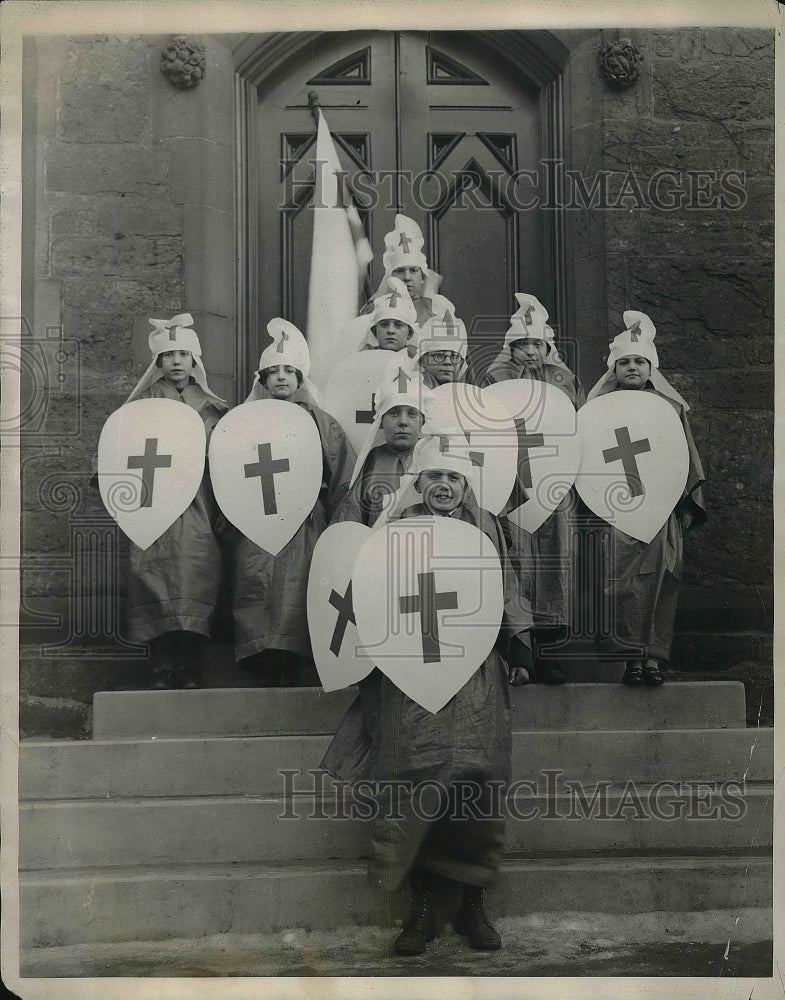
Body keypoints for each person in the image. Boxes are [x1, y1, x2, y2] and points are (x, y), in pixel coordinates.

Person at [321, 433, 533, 956]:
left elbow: (504, 585)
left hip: (474, 671)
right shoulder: (391, 530)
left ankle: (472, 903)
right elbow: (363, 593)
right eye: (434, 476)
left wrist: (520, 642)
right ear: (419, 481)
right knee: (414, 776)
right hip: (407, 671)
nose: (444, 485)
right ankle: (420, 908)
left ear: (466, 485)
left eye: (454, 477)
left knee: (476, 779)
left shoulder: (484, 530)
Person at [231, 319, 356, 686]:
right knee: (257, 583)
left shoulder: (322, 423)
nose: (281, 377)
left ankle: (296, 659)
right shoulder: (244, 422)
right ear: (263, 380)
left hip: (307, 521)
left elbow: (341, 476)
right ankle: (262, 656)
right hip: (257, 515)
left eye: (289, 370)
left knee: (299, 585)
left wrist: (336, 526)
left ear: (300, 379)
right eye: (273, 372)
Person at [586, 311, 707, 686]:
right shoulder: (596, 411)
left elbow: (685, 455)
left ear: (651, 367)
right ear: (614, 369)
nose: (632, 367)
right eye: (624, 362)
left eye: (639, 361)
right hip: (616, 511)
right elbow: (587, 455)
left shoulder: (669, 408)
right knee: (620, 583)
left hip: (660, 508)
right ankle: (629, 662)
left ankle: (653, 659)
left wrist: (688, 502)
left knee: (660, 581)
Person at [484, 294, 585, 684]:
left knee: (554, 563)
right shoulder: (495, 380)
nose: (529, 351)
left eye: (536, 344)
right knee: (516, 561)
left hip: (553, 484)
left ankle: (551, 652)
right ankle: (520, 652)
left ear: (548, 347)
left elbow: (577, 428)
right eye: (521, 344)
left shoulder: (564, 381)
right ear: (510, 348)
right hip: (510, 485)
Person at [123, 313, 229, 689]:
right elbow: (116, 448)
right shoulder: (140, 408)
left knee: (195, 578)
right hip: (154, 508)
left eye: (184, 354)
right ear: (158, 362)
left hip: (200, 508)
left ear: (195, 360)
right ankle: (162, 665)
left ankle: (188, 665)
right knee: (154, 577)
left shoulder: (216, 410)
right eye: (169, 355)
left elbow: (230, 460)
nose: (177, 361)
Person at [331, 370, 432, 528]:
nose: (403, 422)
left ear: (423, 421)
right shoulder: (374, 459)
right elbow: (352, 516)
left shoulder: (433, 456)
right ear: (381, 422)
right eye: (393, 413)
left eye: (412, 414)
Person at [364, 214, 456, 328]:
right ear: (390, 277)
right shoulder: (378, 308)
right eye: (400, 271)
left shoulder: (438, 308)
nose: (407, 277)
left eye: (413, 270)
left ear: (422, 277)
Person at [357, 276, 420, 359]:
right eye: (384, 325)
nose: (390, 331)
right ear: (375, 331)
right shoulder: (366, 357)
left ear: (409, 333)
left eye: (398, 325)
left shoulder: (415, 360)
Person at [412, 308, 472, 388]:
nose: (448, 362)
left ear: (461, 365)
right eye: (439, 356)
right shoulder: (412, 392)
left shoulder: (465, 395)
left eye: (454, 357)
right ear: (423, 361)